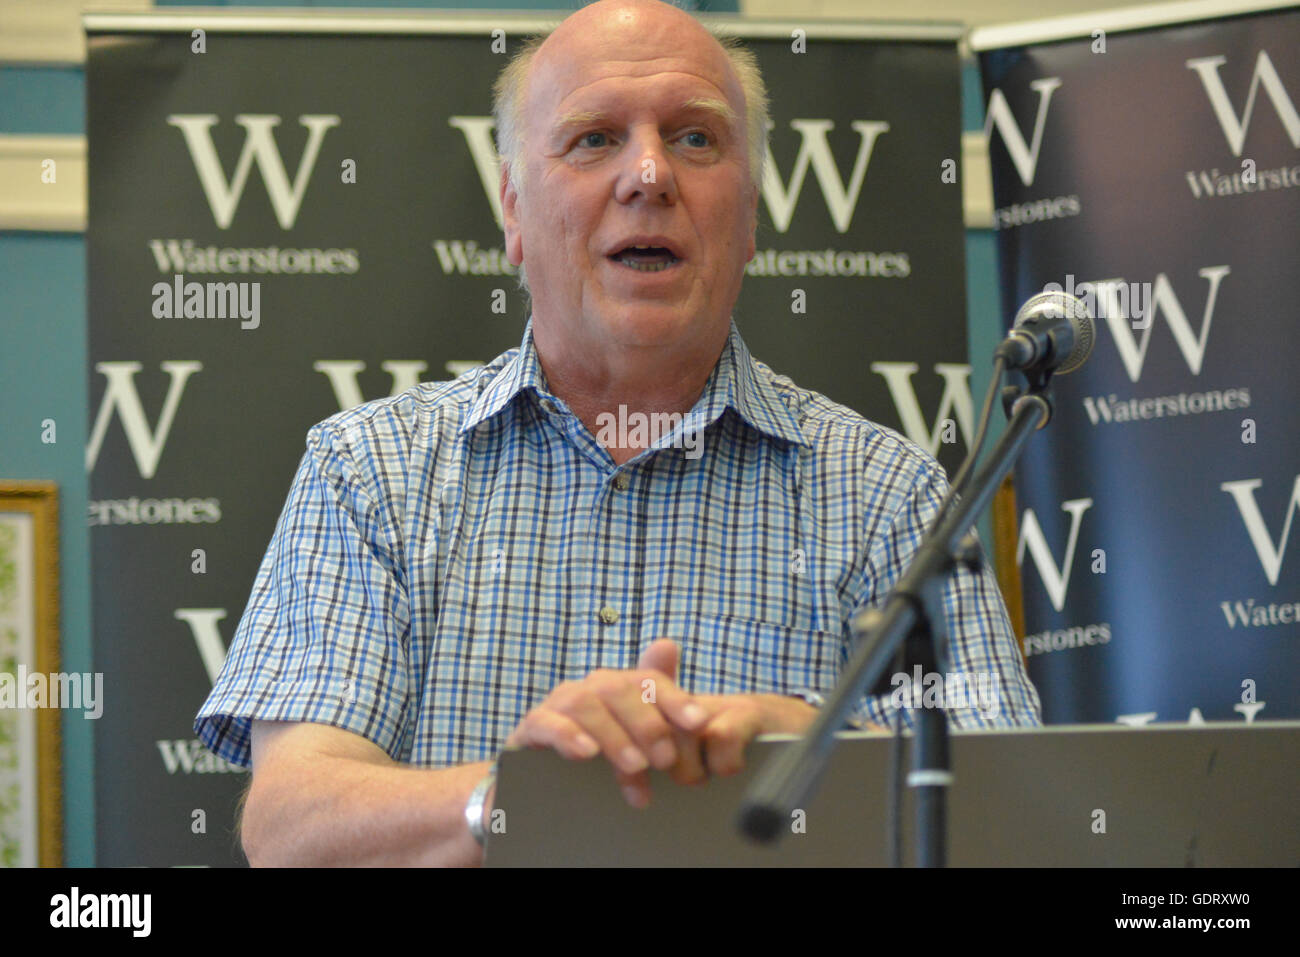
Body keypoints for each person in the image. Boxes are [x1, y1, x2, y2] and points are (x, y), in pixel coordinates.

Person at [196, 0, 1041, 867]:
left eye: (696, 139)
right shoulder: (371, 472)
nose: (648, 174)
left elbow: (1019, 827)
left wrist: (805, 739)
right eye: (594, 139)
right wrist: (519, 795)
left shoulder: (888, 497)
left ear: (750, 215)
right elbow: (290, 828)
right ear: (514, 211)